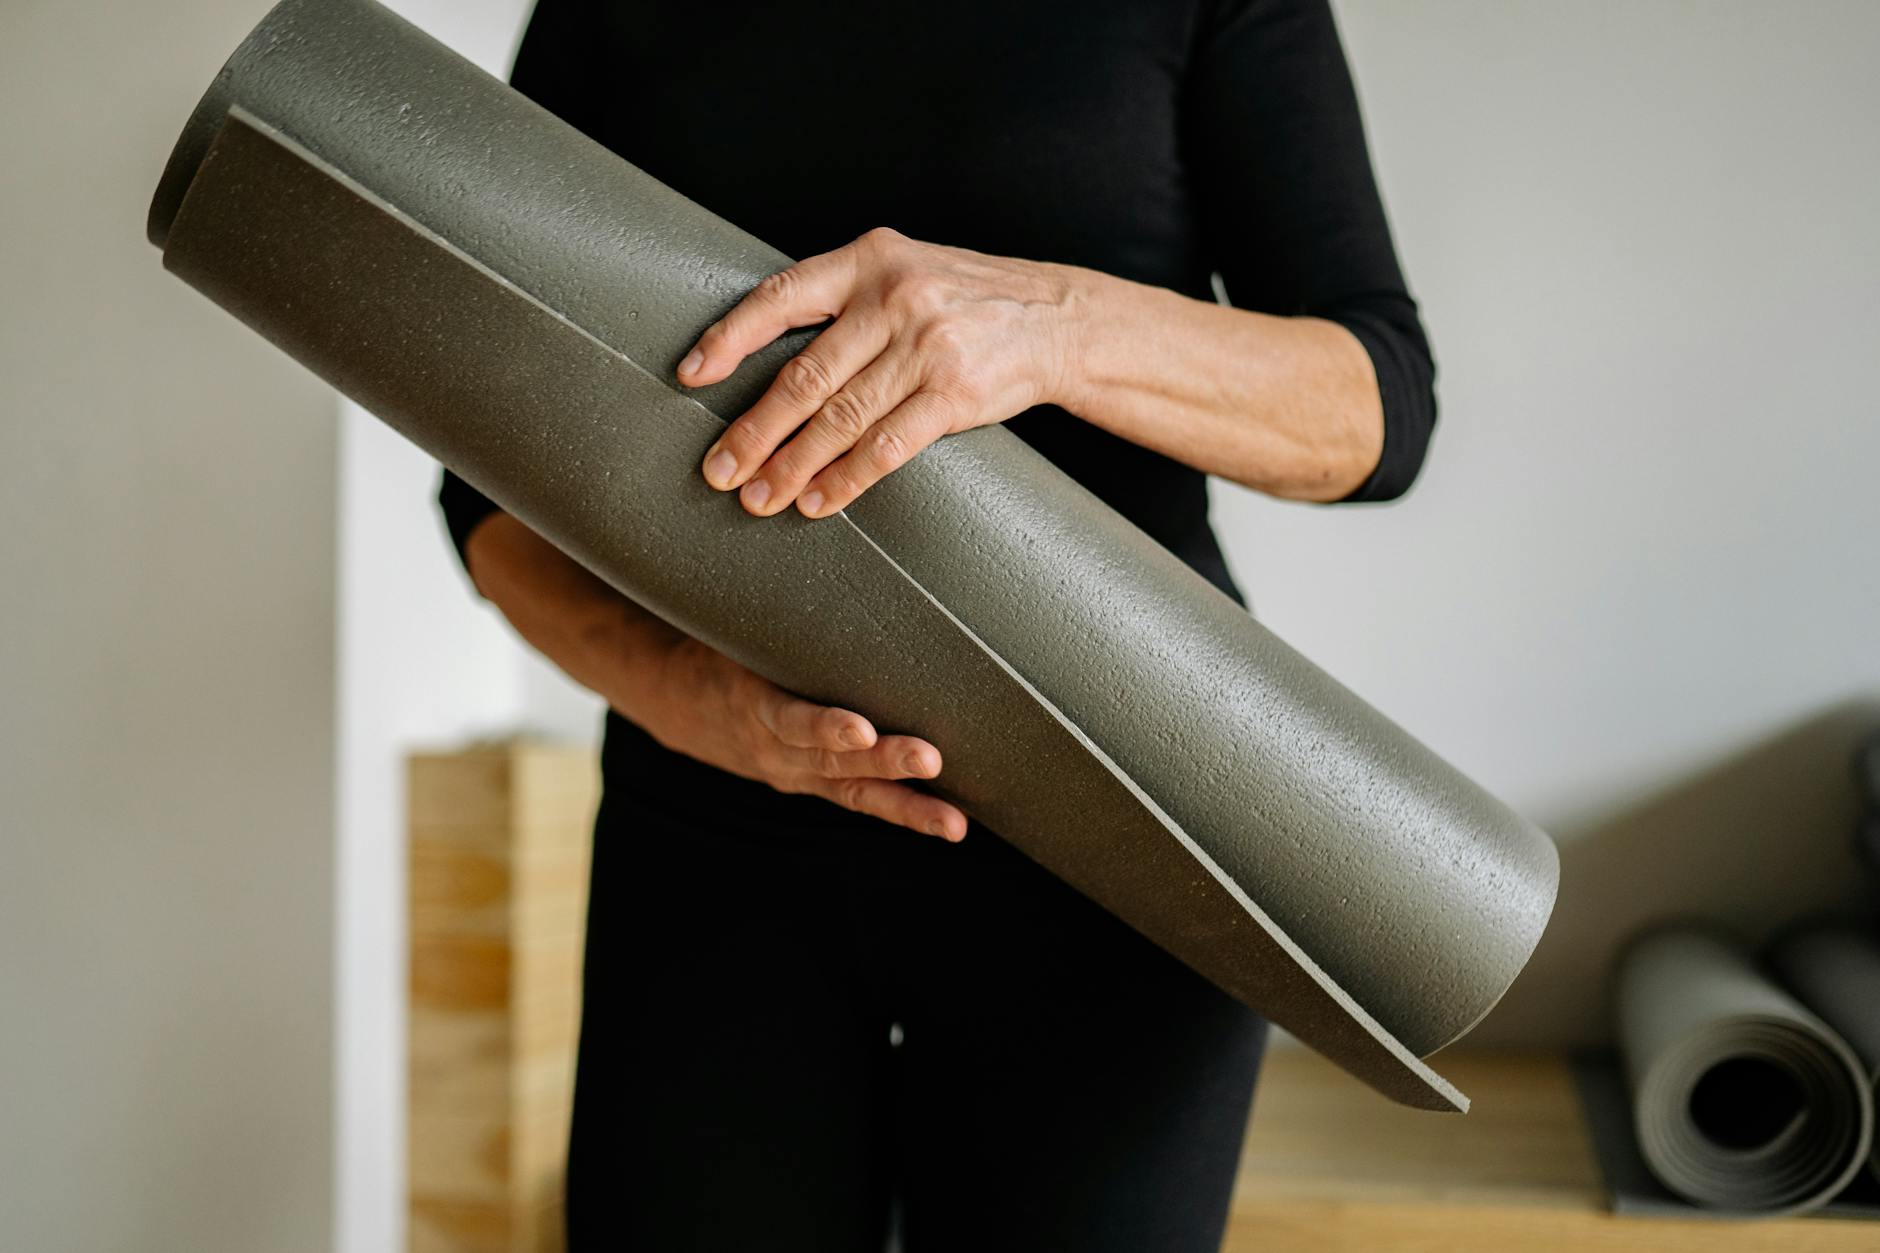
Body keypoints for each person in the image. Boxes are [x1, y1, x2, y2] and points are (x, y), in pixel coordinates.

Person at [438, 0, 1436, 1248]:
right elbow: (482, 486)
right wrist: (698, 702)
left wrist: (1045, 327)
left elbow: (1377, 409)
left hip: (1128, 833)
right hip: (713, 830)